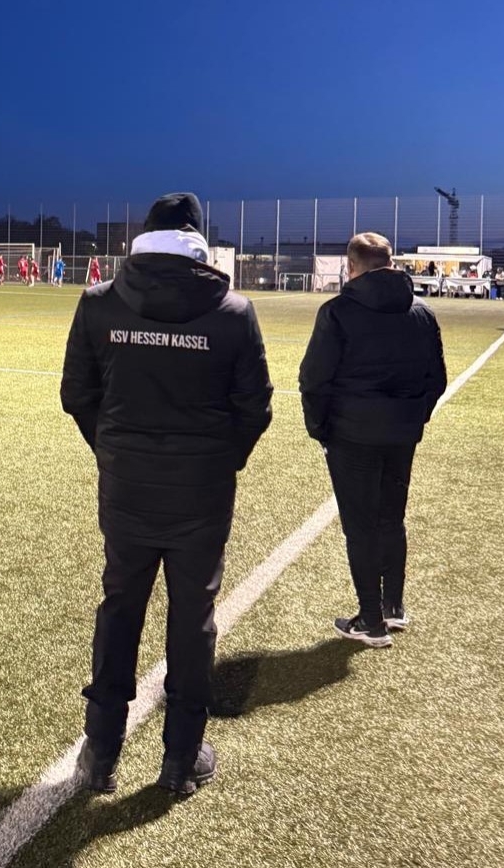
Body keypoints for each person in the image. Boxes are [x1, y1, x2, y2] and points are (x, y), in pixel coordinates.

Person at [62, 193, 273, 797]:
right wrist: (217, 461)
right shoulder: (232, 311)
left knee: (120, 607)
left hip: (127, 486)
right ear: (198, 240)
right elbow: (254, 408)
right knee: (193, 618)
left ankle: (101, 752)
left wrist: (114, 451)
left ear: (145, 235)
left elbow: (77, 394)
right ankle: (181, 759)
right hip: (201, 493)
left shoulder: (100, 302)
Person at [298, 233, 447, 648]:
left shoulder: (337, 312)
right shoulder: (422, 313)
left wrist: (320, 430)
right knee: (391, 519)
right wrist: (413, 418)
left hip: (352, 436)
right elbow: (437, 379)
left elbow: (313, 379)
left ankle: (371, 619)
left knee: (360, 527)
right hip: (401, 435)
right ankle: (393, 605)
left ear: (351, 267)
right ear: (390, 263)